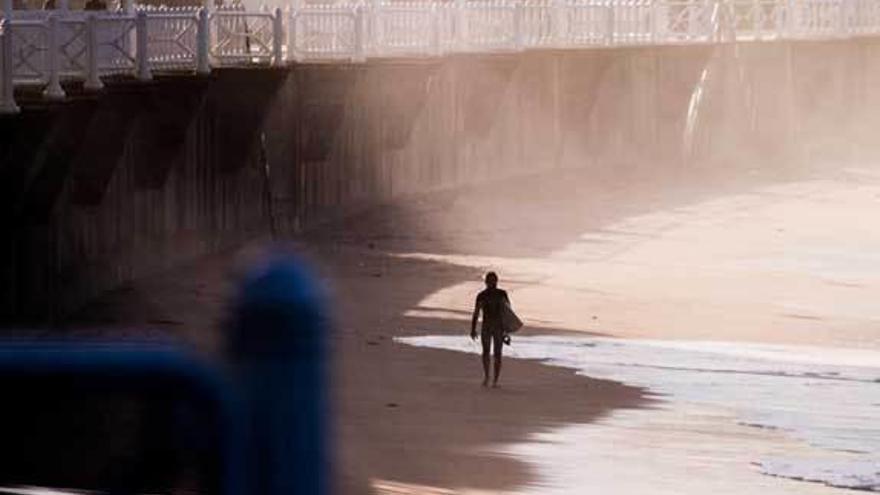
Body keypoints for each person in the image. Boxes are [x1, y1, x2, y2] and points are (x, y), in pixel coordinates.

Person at [470, 272, 510, 388]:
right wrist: (473, 329)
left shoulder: (501, 294)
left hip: (498, 327)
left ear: (496, 281)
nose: (492, 283)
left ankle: (495, 380)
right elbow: (476, 313)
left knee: (497, 354)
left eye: (494, 281)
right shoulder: (482, 295)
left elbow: (508, 313)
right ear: (486, 282)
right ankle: (487, 377)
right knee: (486, 352)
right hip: (488, 327)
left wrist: (507, 331)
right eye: (490, 281)